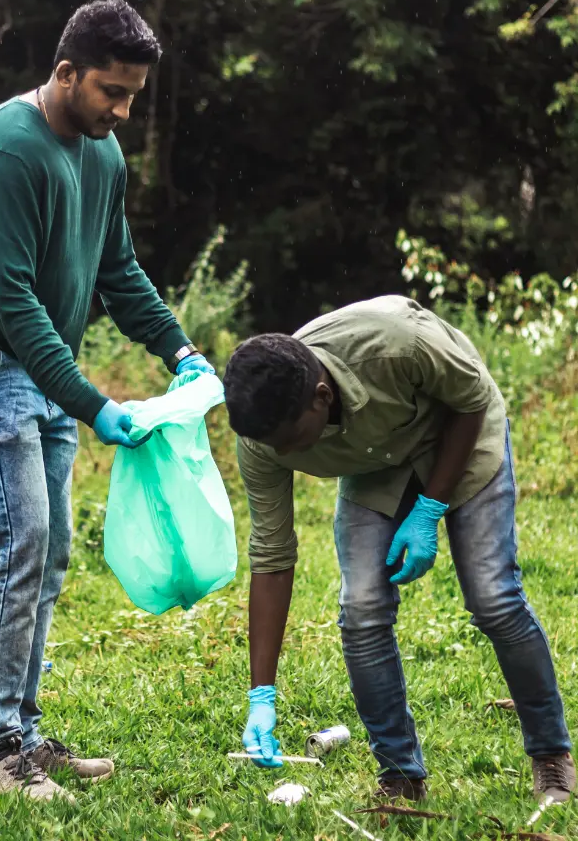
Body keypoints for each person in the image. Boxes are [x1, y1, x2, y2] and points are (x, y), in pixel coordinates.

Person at [0, 0, 214, 803]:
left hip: (37, 369)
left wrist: (179, 348)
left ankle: (25, 733)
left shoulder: (101, 154)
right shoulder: (6, 151)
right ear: (65, 72)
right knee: (22, 544)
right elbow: (13, 302)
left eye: (133, 97)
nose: (121, 111)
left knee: (48, 557)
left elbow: (117, 272)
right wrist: (93, 402)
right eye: (110, 93)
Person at [225, 295, 573, 804]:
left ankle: (551, 756)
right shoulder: (263, 435)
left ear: (322, 397)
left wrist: (430, 508)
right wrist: (261, 693)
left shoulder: (397, 343)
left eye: (293, 440)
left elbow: (471, 400)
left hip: (461, 434)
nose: (285, 455)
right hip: (376, 468)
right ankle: (400, 775)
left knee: (493, 596)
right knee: (362, 607)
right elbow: (272, 555)